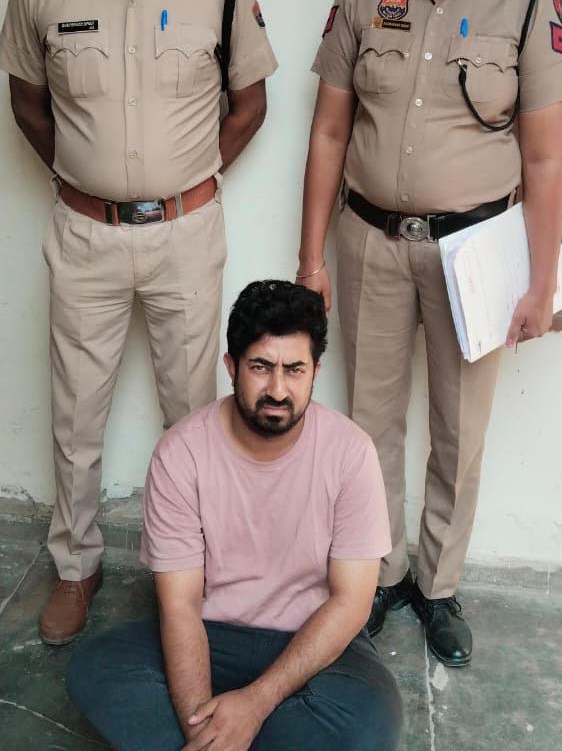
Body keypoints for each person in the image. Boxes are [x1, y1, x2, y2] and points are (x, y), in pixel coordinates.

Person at [0, 0, 278, 646]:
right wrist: (87, 179)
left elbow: (250, 104)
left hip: (186, 236)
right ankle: (76, 568)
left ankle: (187, 570)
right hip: (84, 235)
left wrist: (186, 181)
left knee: (193, 413)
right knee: (75, 414)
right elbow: (27, 102)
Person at [296, 0, 562, 667]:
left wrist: (539, 280)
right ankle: (379, 575)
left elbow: (544, 156)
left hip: (475, 256)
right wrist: (311, 260)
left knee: (460, 429)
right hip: (369, 241)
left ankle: (439, 585)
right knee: (369, 421)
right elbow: (329, 133)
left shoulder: (526, 0)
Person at [65, 280, 402, 751]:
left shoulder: (351, 453)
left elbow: (350, 603)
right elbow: (180, 606)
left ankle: (237, 728)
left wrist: (256, 702)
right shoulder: (181, 453)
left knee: (369, 722)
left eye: (295, 370)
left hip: (309, 638)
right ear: (231, 367)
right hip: (212, 634)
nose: (278, 389)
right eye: (261, 367)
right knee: (95, 668)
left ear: (315, 372)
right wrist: (200, 724)